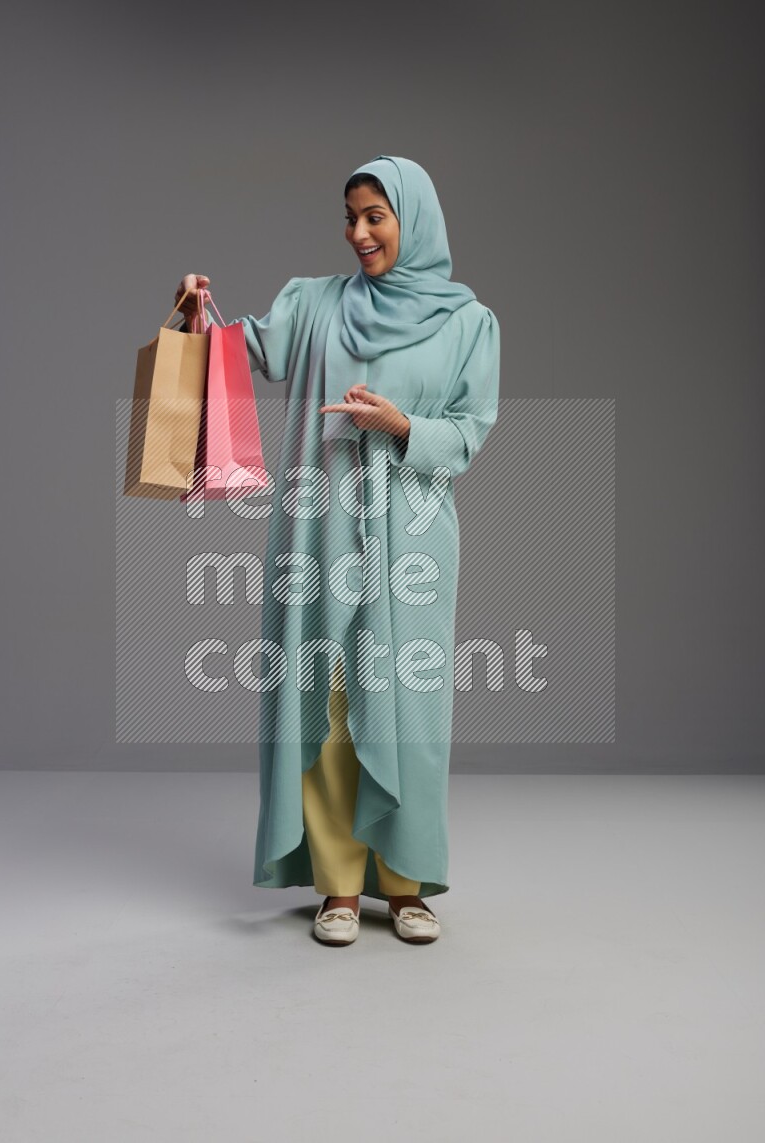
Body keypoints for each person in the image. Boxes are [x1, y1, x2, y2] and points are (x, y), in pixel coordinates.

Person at [174, 155, 500, 945]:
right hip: (319, 526)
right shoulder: (316, 304)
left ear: (412, 220)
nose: (358, 233)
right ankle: (338, 887)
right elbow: (239, 352)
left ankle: (407, 880)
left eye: (375, 217)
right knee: (325, 700)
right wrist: (197, 317)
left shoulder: (468, 324)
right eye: (350, 217)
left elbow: (471, 429)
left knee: (407, 706)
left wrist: (401, 427)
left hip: (413, 537)